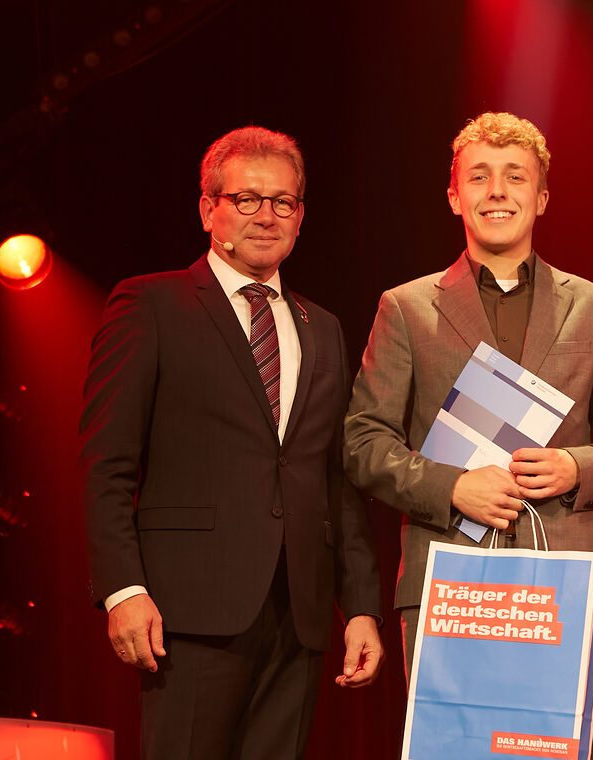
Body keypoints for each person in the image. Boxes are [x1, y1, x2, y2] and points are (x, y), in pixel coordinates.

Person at [80, 126, 384, 759]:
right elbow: (105, 465)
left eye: (283, 202)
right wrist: (122, 589)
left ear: (301, 216)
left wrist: (359, 607)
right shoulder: (149, 304)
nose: (266, 216)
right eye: (247, 199)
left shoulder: (321, 327)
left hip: (296, 614)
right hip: (186, 613)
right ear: (207, 209)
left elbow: (337, 480)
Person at [343, 111, 593, 664]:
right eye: (479, 176)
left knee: (551, 750)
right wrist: (451, 488)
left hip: (563, 576)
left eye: (516, 175)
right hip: (449, 575)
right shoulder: (407, 308)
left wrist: (578, 467)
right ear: (455, 196)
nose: (497, 191)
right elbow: (364, 443)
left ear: (542, 197)